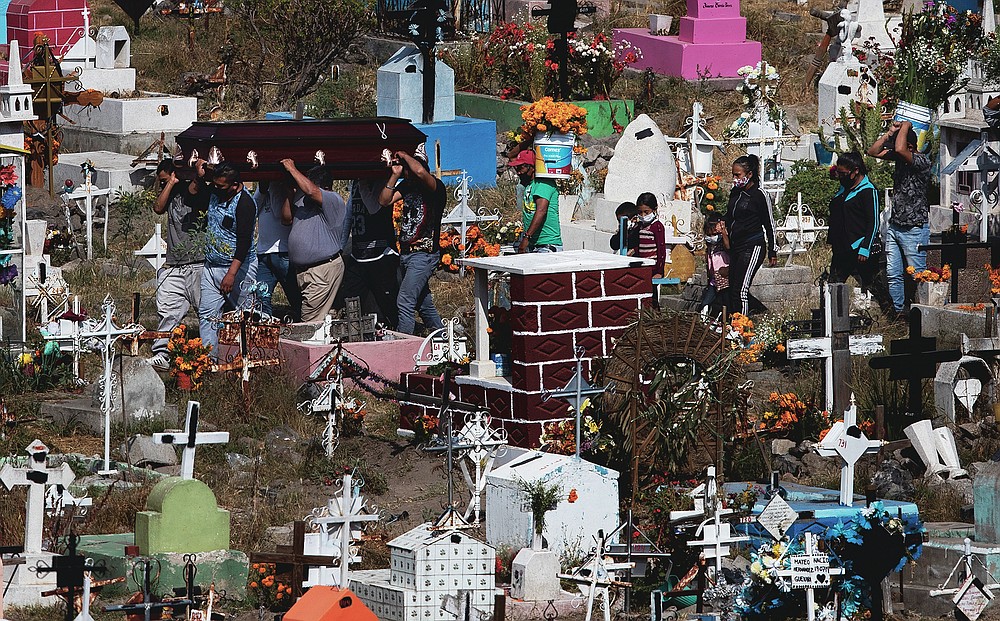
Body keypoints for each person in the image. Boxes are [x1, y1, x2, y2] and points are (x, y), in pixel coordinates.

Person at [193, 160, 258, 359]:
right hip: (212, 266)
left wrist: (231, 274)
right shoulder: (215, 193)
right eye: (215, 184)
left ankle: (246, 358)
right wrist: (200, 174)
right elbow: (195, 194)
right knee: (207, 315)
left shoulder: (245, 203)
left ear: (235, 184)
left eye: (221, 186)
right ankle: (208, 359)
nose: (217, 188)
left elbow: (244, 242)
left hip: (238, 267)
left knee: (244, 315)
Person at [378, 144, 445, 335]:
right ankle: (441, 339)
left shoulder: (435, 188)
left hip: (424, 254)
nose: (408, 173)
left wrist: (405, 154)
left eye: (408, 169)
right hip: (406, 254)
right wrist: (394, 175)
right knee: (424, 305)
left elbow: (420, 171)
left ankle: (404, 345)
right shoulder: (407, 186)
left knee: (405, 301)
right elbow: (384, 201)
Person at [146, 160, 207, 369]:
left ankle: (209, 354)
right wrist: (169, 184)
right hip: (174, 263)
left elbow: (194, 189)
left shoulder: (192, 190)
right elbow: (158, 207)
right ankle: (163, 352)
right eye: (161, 182)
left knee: (206, 312)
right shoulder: (169, 192)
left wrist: (192, 176)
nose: (162, 185)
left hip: (197, 262)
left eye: (165, 180)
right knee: (168, 310)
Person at [867, 120, 932, 315]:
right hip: (895, 226)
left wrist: (906, 125)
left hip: (914, 228)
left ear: (910, 147)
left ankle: (924, 313)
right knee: (893, 274)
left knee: (918, 275)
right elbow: (872, 152)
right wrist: (889, 133)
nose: (895, 151)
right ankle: (899, 312)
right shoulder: (900, 158)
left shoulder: (922, 162)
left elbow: (901, 148)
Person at [279, 158, 348, 323]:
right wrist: (289, 194)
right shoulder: (304, 202)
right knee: (317, 320)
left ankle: (312, 347)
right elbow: (286, 219)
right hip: (305, 272)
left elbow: (311, 191)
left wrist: (292, 169)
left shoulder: (333, 199)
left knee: (310, 321)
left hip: (322, 270)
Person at [827, 151, 892, 312]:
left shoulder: (868, 191)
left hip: (859, 249)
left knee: (873, 284)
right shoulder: (844, 187)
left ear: (855, 171)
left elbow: (874, 221)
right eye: (838, 172)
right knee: (833, 287)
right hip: (841, 248)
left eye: (843, 173)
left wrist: (865, 247)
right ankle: (831, 321)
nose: (840, 176)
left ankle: (893, 316)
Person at [338, 179, 400, 329]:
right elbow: (349, 215)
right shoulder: (356, 184)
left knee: (386, 302)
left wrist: (362, 183)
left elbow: (373, 207)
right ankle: (356, 332)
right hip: (359, 254)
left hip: (381, 253)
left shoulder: (380, 183)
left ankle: (393, 331)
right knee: (352, 298)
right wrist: (341, 245)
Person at [724, 154, 777, 316]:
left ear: (749, 175)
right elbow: (730, 215)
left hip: (752, 245)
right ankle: (756, 315)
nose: (734, 178)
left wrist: (772, 251)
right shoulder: (735, 192)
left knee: (741, 290)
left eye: (737, 175)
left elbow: (770, 224)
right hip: (736, 246)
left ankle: (742, 330)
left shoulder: (760, 194)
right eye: (733, 174)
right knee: (733, 287)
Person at [254, 181, 301, 321]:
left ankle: (304, 328)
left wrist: (272, 185)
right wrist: (262, 190)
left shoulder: (279, 187)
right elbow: (253, 210)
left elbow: (277, 212)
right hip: (263, 253)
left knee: (295, 296)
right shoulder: (262, 189)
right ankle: (264, 333)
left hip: (283, 251)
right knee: (261, 299)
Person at [509, 149, 562, 253]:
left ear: (531, 167)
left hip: (546, 245)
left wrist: (526, 237)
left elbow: (541, 211)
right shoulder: (529, 183)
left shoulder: (543, 183)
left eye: (521, 167)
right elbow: (511, 155)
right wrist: (529, 137)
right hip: (534, 244)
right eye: (516, 167)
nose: (518, 171)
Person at [700, 214, 730, 317]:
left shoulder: (722, 242)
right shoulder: (710, 247)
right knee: (705, 303)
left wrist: (723, 232)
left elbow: (728, 246)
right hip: (714, 280)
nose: (712, 236)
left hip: (724, 279)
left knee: (723, 303)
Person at [635, 192, 666, 277]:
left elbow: (661, 250)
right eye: (640, 212)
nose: (643, 215)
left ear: (654, 210)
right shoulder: (640, 226)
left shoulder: (657, 227)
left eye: (646, 212)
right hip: (641, 266)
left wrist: (659, 271)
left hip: (653, 268)